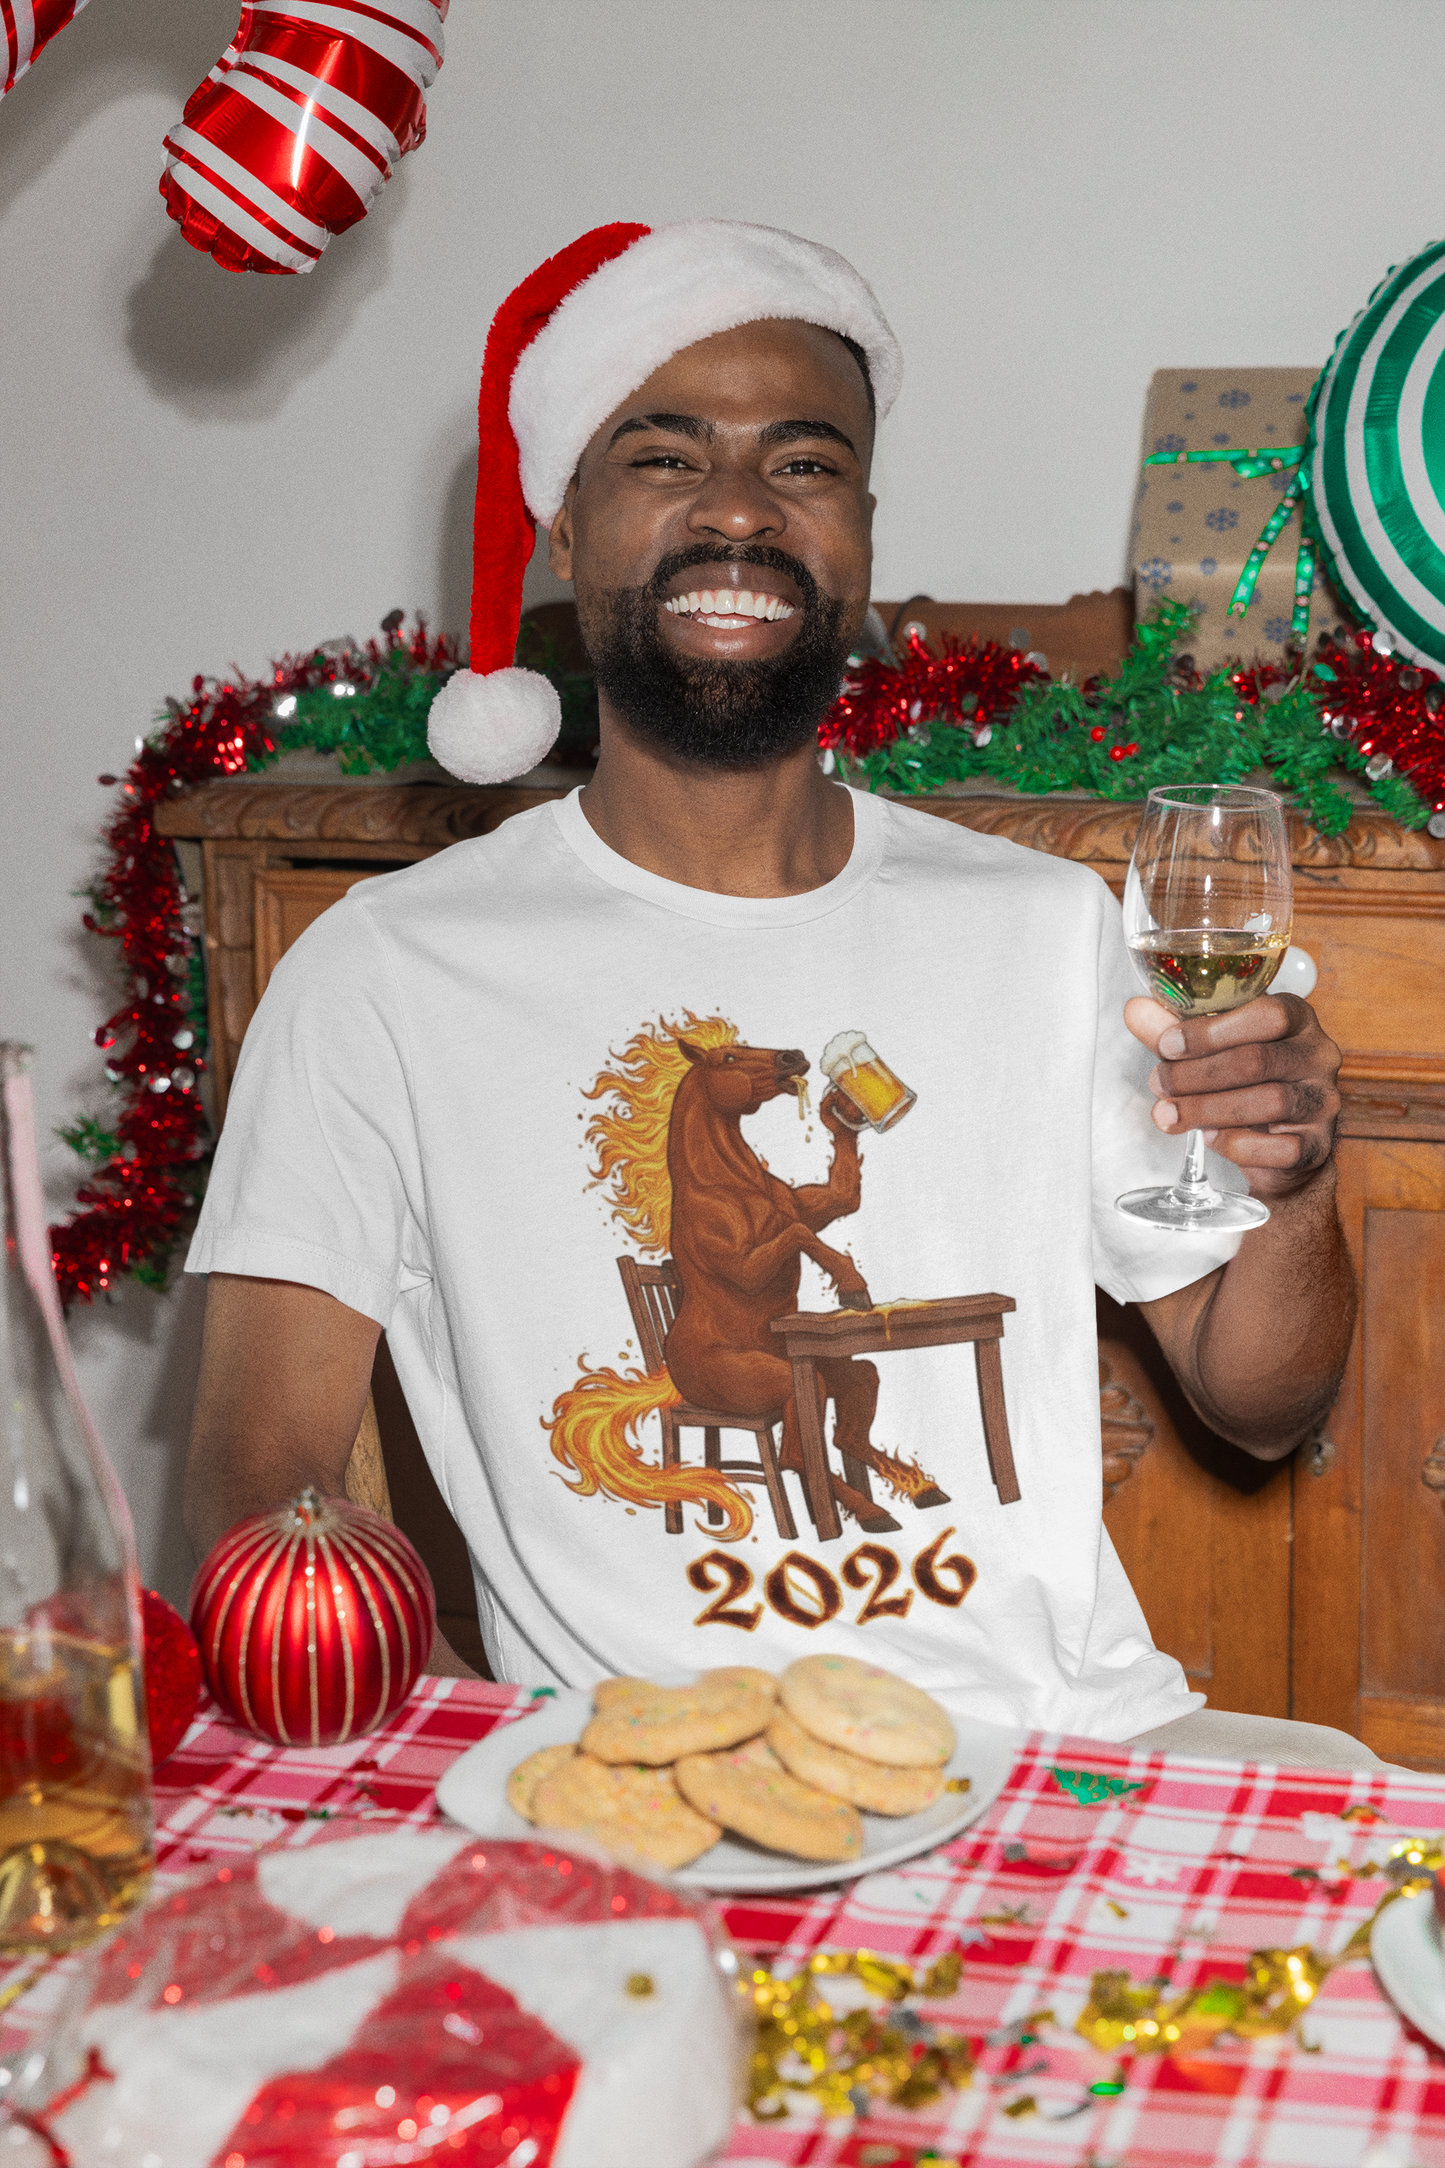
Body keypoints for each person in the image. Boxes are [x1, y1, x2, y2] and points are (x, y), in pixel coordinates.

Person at [185, 220, 1369, 1767]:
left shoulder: (1047, 930)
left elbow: (1262, 1400)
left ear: (863, 533)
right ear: (562, 524)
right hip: (639, 1771)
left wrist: (1288, 1184)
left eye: (804, 465)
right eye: (665, 458)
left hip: (1061, 1745)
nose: (739, 507)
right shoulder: (386, 973)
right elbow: (260, 1486)